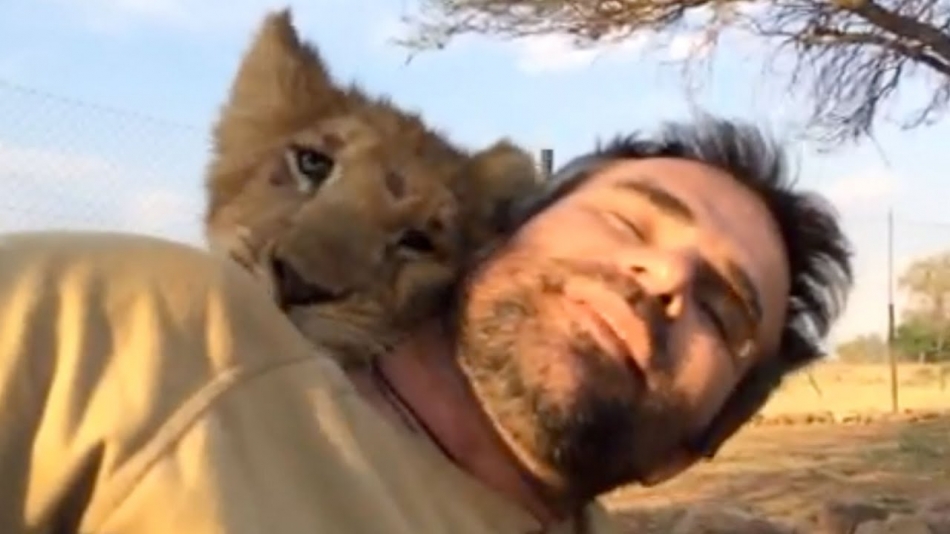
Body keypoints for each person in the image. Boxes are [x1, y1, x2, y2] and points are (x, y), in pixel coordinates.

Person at [0, 118, 852, 534]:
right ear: (487, 239)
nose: (665, 276)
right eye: (630, 223)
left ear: (685, 453)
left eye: (721, 308)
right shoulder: (155, 336)